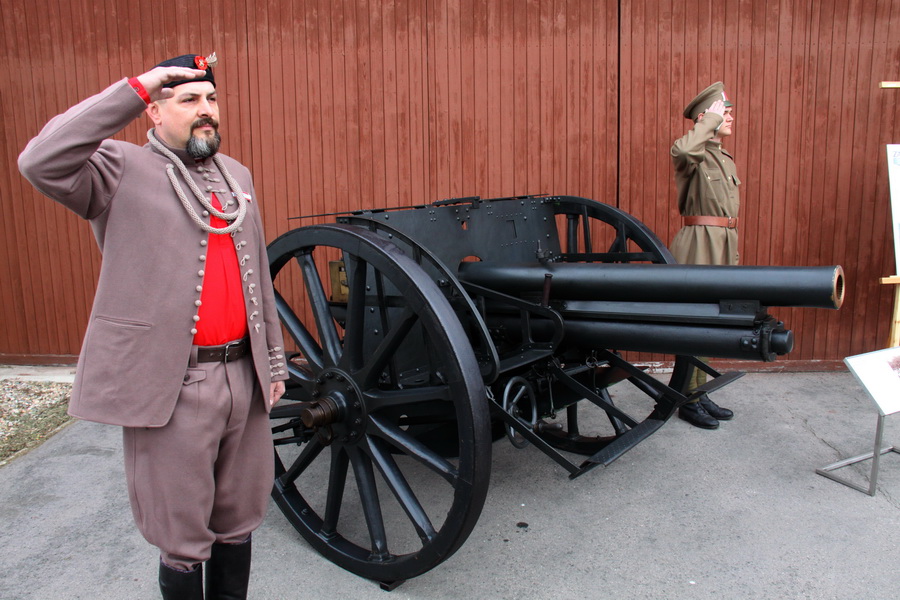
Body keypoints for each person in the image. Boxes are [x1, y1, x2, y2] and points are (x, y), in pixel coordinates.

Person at [18, 53, 287, 599]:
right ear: (153, 113)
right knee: (182, 536)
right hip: (174, 384)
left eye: (210, 99)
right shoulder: (115, 169)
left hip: (245, 375)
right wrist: (137, 85)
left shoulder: (236, 175)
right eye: (187, 99)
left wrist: (274, 362)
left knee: (239, 520)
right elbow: (39, 160)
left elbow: (256, 270)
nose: (205, 110)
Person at [669, 81, 739, 430]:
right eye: (724, 112)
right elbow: (682, 152)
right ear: (705, 117)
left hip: (723, 239)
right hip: (700, 240)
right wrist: (706, 123)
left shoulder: (721, 155)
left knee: (712, 320)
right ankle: (687, 398)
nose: (730, 117)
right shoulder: (693, 150)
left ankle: (699, 392)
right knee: (694, 321)